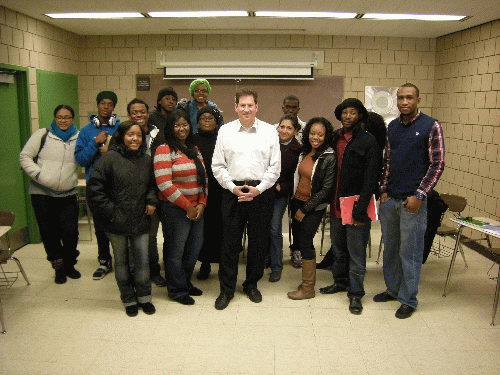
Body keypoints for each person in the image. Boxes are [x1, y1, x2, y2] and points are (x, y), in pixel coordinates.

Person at [374, 83, 445, 319]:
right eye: (401, 98)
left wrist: (420, 195)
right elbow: (388, 162)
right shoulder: (392, 126)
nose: (404, 102)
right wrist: (383, 190)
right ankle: (392, 290)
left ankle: (408, 299)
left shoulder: (431, 126)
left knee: (410, 252)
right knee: (391, 249)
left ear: (418, 100)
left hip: (413, 201)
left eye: (409, 98)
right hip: (390, 200)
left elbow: (437, 164)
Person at [212, 88, 280, 310]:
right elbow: (218, 166)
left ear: (257, 107)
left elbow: (275, 168)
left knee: (258, 242)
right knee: (229, 243)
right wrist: (233, 188)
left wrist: (258, 190)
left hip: (261, 193)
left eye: (250, 105)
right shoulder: (225, 131)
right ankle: (227, 289)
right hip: (233, 192)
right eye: (242, 105)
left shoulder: (270, 132)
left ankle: (251, 284)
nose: (247, 109)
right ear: (236, 108)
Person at [87, 121, 158, 317]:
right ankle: (128, 299)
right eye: (130, 134)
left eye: (138, 135)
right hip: (115, 222)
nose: (135, 138)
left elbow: (153, 185)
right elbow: (94, 190)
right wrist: (111, 212)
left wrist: (152, 201)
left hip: (141, 219)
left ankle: (145, 297)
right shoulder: (109, 159)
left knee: (142, 262)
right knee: (122, 262)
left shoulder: (146, 159)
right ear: (121, 136)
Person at [318, 99, 380, 315]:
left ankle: (356, 294)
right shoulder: (334, 139)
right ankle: (340, 282)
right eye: (344, 112)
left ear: (360, 115)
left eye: (353, 112)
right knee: (338, 249)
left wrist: (361, 208)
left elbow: (371, 177)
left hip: (357, 207)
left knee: (356, 253)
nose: (347, 116)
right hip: (336, 205)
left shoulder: (369, 141)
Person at [19, 105, 81, 284]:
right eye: (60, 117)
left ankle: (69, 263)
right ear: (55, 118)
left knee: (71, 233)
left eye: (67, 117)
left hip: (68, 194)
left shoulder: (78, 137)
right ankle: (59, 267)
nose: (63, 120)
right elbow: (25, 157)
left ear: (73, 119)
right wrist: (39, 174)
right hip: (42, 194)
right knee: (49, 234)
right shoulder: (42, 135)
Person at [154, 110, 208, 305]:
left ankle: (185, 283)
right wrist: (187, 206)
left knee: (193, 250)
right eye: (177, 125)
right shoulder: (164, 149)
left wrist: (202, 203)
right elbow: (164, 184)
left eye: (185, 124)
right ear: (170, 128)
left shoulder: (194, 148)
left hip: (197, 208)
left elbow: (203, 178)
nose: (181, 128)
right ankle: (176, 290)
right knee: (176, 252)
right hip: (175, 210)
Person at [287, 118, 336, 300]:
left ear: (326, 136)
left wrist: (305, 209)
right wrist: (296, 204)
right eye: (312, 133)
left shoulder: (329, 157)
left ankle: (308, 288)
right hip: (298, 201)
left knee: (306, 242)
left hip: (313, 206)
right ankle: (306, 283)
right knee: (300, 241)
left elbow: (325, 190)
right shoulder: (306, 152)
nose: (315, 137)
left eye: (320, 134)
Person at [74, 91, 120, 280]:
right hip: (96, 186)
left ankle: (123, 260)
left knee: (119, 224)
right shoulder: (86, 131)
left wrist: (110, 150)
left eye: (110, 104)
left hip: (118, 184)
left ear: (114, 107)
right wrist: (95, 143)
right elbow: (80, 159)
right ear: (97, 105)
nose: (106, 107)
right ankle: (104, 260)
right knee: (100, 226)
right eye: (103, 103)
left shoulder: (121, 128)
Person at [125, 98, 167, 287]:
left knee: (157, 235)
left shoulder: (159, 134)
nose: (139, 115)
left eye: (142, 111)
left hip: (159, 191)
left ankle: (158, 270)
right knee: (140, 235)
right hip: (135, 194)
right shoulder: (126, 136)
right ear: (129, 115)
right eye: (135, 112)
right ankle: (142, 271)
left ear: (148, 113)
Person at [268, 114, 301, 282]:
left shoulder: (298, 150)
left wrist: (282, 185)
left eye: (289, 128)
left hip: (281, 194)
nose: (284, 131)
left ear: (295, 130)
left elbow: (296, 177)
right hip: (263, 191)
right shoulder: (269, 143)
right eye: (282, 127)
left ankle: (276, 266)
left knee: (274, 228)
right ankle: (265, 258)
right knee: (262, 227)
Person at [192, 106, 224, 281]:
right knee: (202, 230)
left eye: (210, 118)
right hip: (199, 192)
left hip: (220, 191)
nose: (206, 121)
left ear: (216, 121)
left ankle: (221, 265)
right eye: (203, 118)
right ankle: (204, 264)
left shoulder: (222, 138)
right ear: (197, 122)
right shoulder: (192, 140)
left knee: (219, 229)